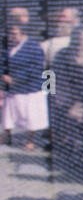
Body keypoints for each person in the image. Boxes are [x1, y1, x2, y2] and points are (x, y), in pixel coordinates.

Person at [3, 20, 49, 151]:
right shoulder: (9, 47)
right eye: (10, 34)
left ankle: (30, 140)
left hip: (30, 87)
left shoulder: (33, 47)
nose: (12, 36)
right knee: (9, 113)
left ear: (23, 33)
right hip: (12, 89)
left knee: (31, 116)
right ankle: (6, 134)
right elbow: (3, 63)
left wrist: (16, 79)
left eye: (15, 34)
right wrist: (3, 76)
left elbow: (36, 68)